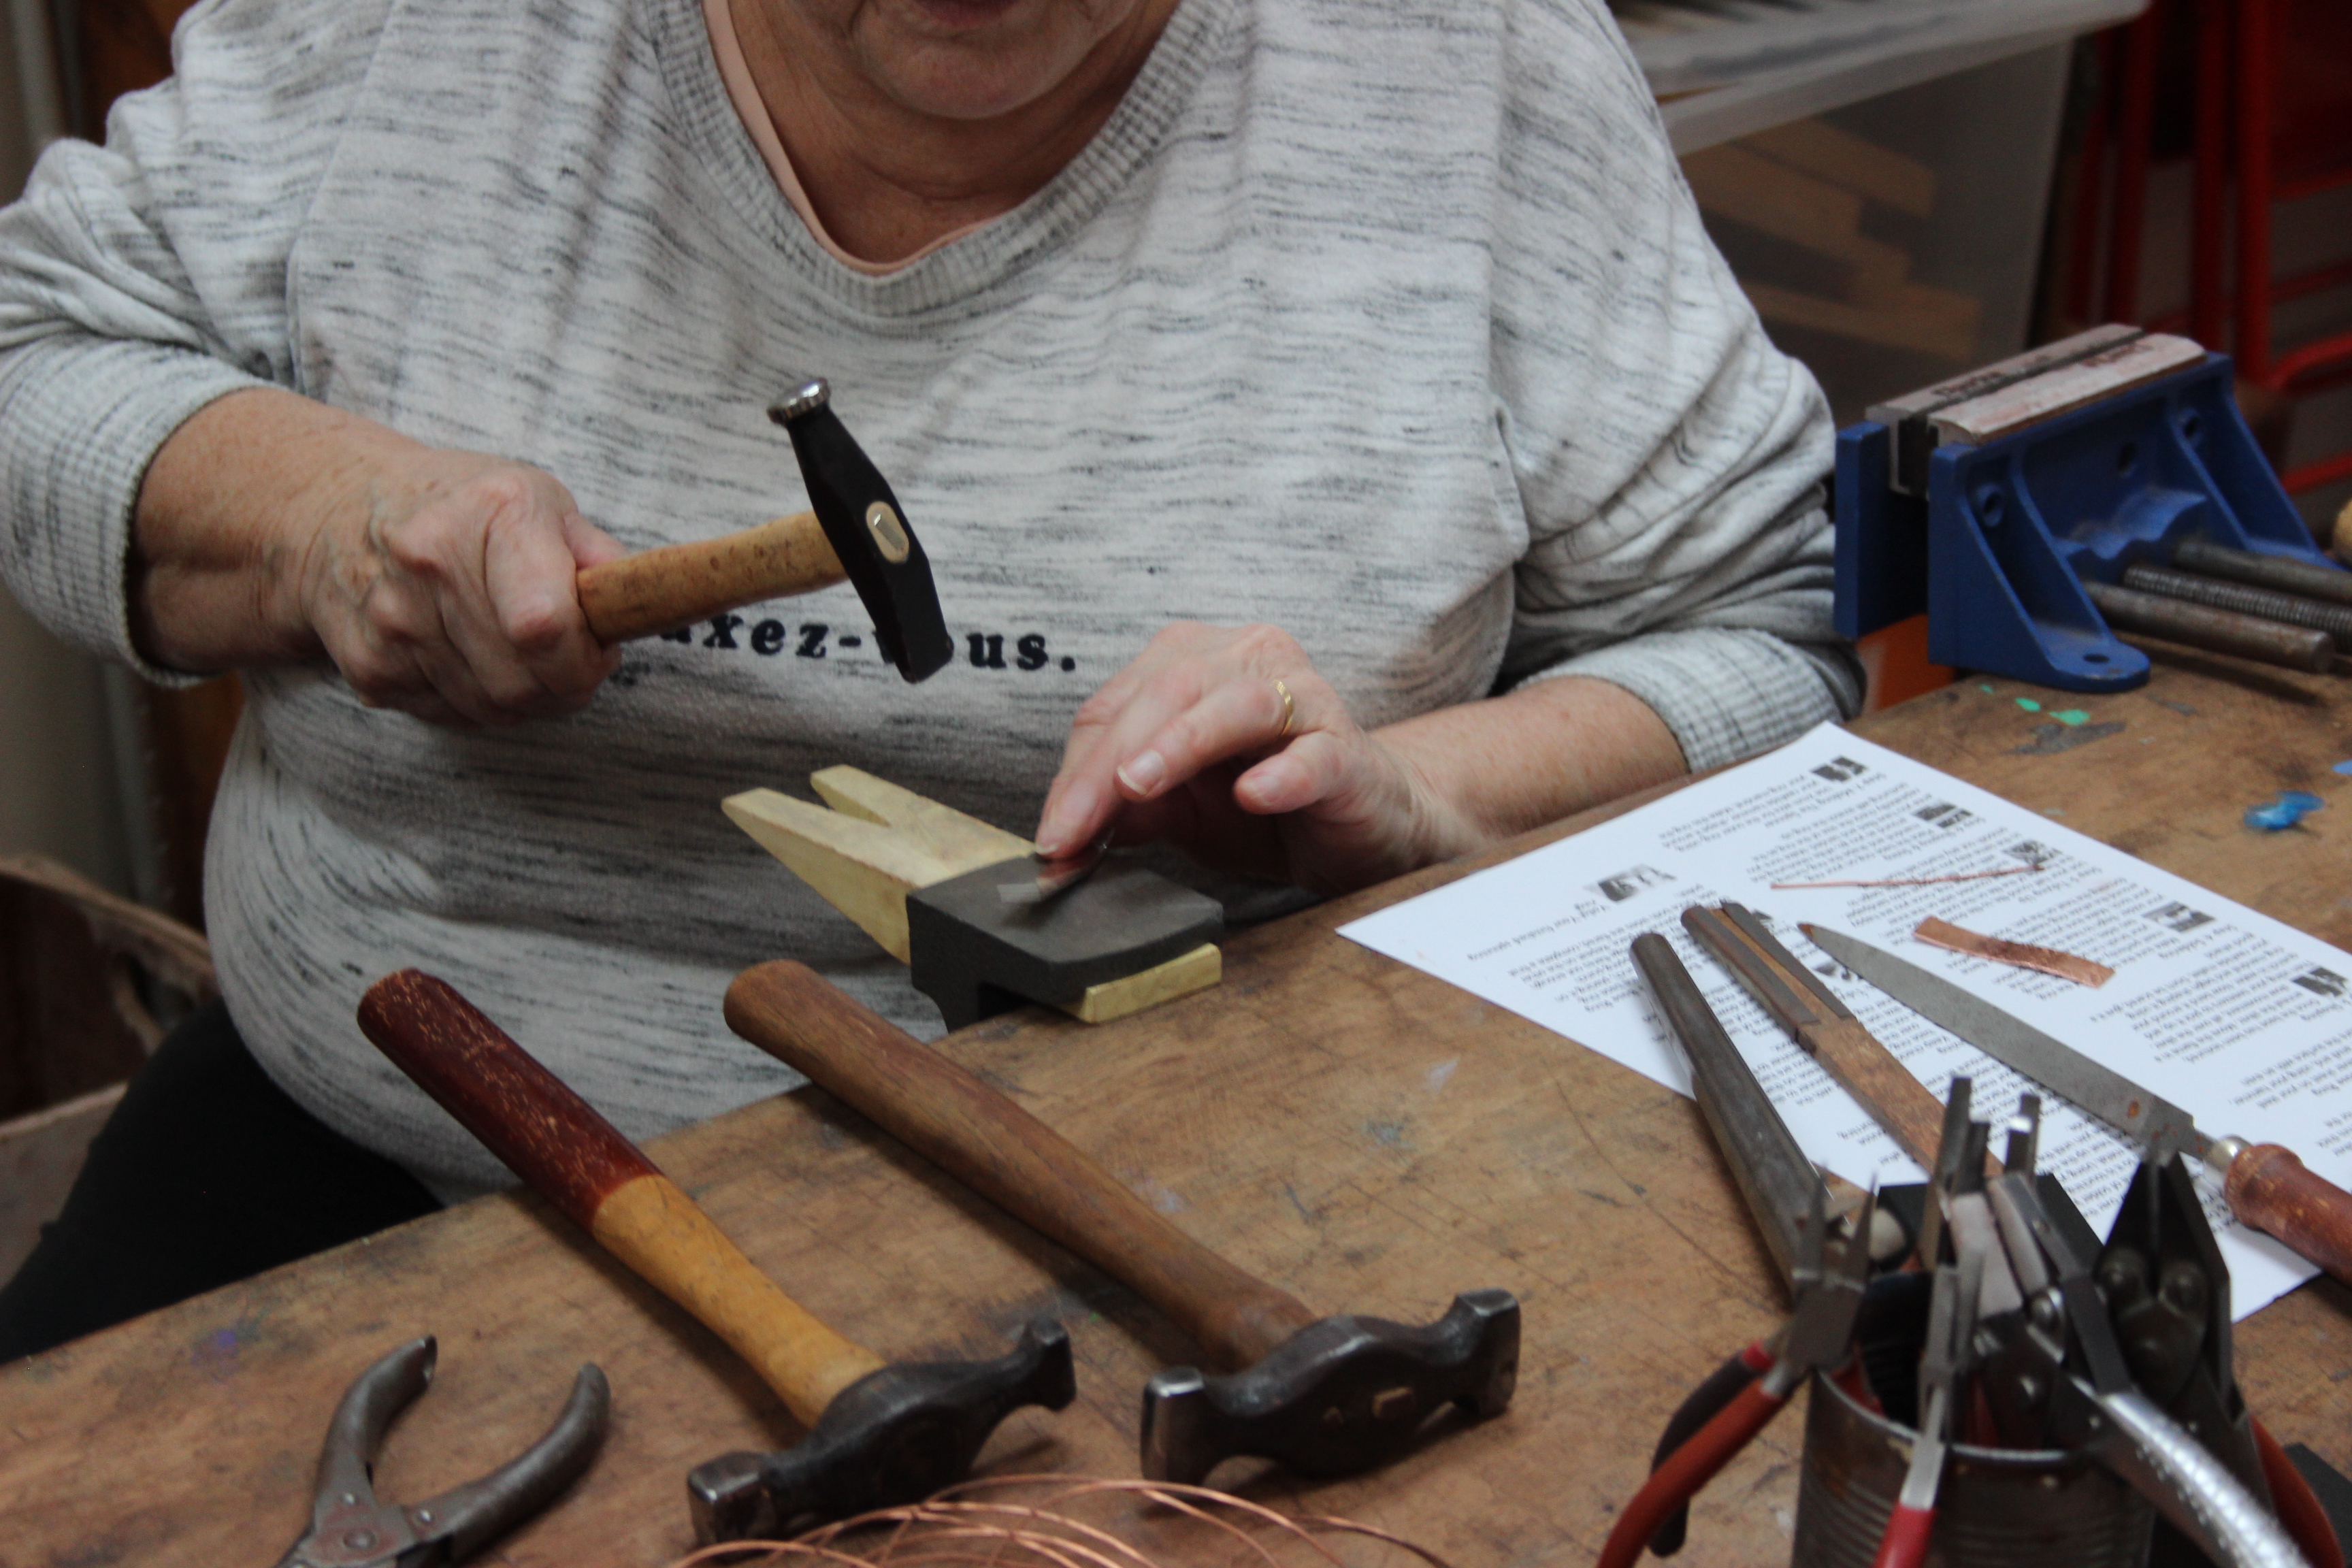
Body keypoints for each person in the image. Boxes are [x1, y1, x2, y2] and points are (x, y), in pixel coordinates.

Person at [0, 0, 1857, 1355]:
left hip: (1205, 1201)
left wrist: (1430, 792)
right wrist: (320, 517)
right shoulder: (424, 35)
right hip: (398, 1137)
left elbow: (1774, 640)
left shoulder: (1467, 64)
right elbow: (32, 358)